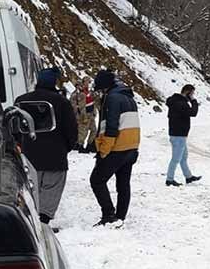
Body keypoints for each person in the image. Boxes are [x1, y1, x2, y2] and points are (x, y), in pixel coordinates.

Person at [15, 67, 78, 228]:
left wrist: (19, 144)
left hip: (29, 154)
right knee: (51, 188)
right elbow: (71, 129)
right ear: (54, 82)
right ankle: (43, 222)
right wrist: (66, 147)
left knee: (31, 188)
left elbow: (14, 126)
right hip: (55, 156)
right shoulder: (62, 102)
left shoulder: (21, 100)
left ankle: (30, 220)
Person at [90, 69, 140, 227]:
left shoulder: (112, 98)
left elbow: (111, 127)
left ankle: (109, 215)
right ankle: (120, 216)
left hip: (117, 147)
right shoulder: (128, 97)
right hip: (132, 147)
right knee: (123, 184)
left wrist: (103, 150)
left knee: (97, 180)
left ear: (105, 87)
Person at [165, 84, 202, 186]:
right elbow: (193, 113)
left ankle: (188, 177)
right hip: (178, 135)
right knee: (176, 158)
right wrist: (193, 101)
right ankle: (169, 179)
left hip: (179, 134)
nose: (193, 95)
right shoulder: (180, 103)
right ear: (187, 92)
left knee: (183, 157)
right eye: (192, 93)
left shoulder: (176, 101)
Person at [70, 77, 98, 153]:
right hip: (83, 115)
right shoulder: (77, 94)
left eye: (88, 82)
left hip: (91, 114)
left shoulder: (88, 92)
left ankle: (90, 144)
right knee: (83, 132)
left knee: (94, 130)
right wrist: (81, 116)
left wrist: (94, 111)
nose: (87, 84)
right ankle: (80, 145)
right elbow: (78, 107)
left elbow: (92, 102)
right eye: (86, 82)